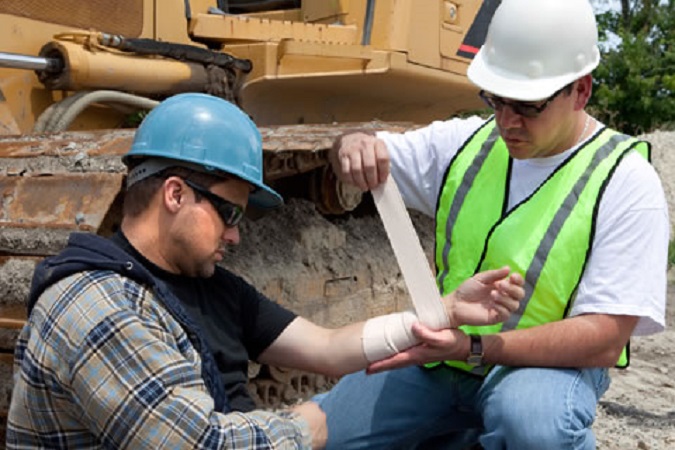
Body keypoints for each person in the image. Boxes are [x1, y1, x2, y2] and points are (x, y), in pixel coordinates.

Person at [6, 93, 525, 449]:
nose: (235, 234)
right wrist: (313, 424)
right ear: (175, 194)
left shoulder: (209, 286)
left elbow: (324, 347)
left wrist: (442, 311)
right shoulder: (99, 307)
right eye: (229, 212)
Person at [315, 0, 670, 448]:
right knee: (329, 434)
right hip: (443, 360)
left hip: (541, 371)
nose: (506, 121)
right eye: (495, 100)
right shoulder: (467, 143)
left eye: (527, 106)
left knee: (534, 425)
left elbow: (604, 337)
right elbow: (363, 149)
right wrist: (353, 144)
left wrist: (474, 347)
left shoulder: (624, 181)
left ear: (581, 91)